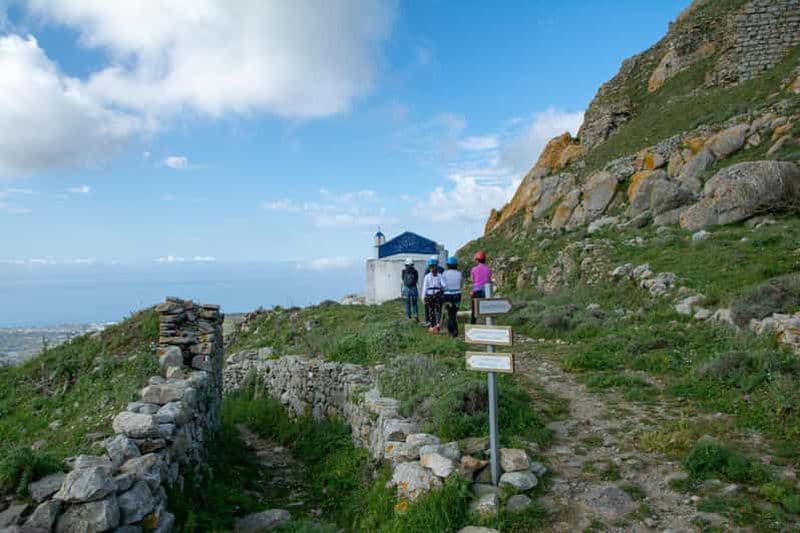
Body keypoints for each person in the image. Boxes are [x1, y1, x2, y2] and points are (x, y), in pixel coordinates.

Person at [442, 256, 463, 337]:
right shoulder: (459, 273)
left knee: (450, 313)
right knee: (454, 313)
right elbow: (461, 284)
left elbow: (443, 284)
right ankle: (452, 329)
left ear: (448, 265)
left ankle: (453, 330)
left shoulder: (444, 273)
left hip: (448, 295)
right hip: (457, 295)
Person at [422, 257, 444, 333]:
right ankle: (433, 325)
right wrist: (423, 297)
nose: (432, 269)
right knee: (432, 311)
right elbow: (425, 287)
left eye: (433, 266)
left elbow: (444, 284)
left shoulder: (439, 275)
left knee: (436, 310)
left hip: (435, 295)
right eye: (431, 267)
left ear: (436, 266)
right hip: (431, 295)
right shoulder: (428, 276)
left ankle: (436, 325)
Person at [470, 250, 492, 324]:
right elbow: (489, 280)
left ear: (477, 260)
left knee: (474, 310)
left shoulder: (473, 269)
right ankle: (487, 323)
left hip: (476, 291)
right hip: (487, 292)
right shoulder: (489, 269)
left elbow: (473, 281)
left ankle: (473, 324)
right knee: (487, 310)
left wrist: (471, 291)